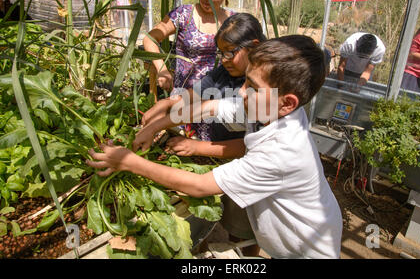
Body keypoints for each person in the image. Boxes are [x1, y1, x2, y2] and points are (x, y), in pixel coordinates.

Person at [86, 35, 343, 259]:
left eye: (252, 87)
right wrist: (156, 126)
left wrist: (130, 162)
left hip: (307, 251)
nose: (242, 92)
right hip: (289, 240)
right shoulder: (268, 108)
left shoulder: (283, 151)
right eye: (246, 81)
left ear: (288, 102)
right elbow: (209, 108)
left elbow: (200, 186)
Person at [142, 12, 266, 145]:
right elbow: (194, 95)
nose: (224, 59)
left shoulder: (266, 86)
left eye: (229, 52)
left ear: (253, 46)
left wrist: (197, 147)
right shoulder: (224, 72)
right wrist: (165, 104)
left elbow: (249, 145)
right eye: (221, 53)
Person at [142, 0, 233, 93]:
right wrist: (161, 68)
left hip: (220, 99)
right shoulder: (184, 14)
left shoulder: (233, 21)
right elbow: (150, 38)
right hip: (183, 98)